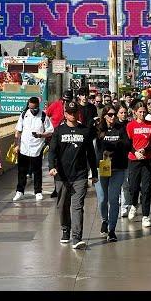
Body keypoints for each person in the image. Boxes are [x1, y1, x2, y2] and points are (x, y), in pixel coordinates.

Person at [48, 101, 98, 249]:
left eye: (75, 112)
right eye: (70, 112)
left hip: (80, 175)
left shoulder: (85, 131)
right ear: (65, 114)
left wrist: (94, 173)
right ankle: (65, 229)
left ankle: (77, 238)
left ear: (78, 113)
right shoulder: (59, 131)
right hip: (62, 175)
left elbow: (91, 154)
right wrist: (52, 167)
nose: (72, 115)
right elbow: (52, 152)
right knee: (63, 205)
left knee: (77, 206)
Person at [95, 105, 128, 242]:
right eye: (110, 114)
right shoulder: (97, 129)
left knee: (114, 199)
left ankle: (112, 229)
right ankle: (104, 220)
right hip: (102, 167)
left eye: (114, 114)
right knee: (103, 199)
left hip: (118, 167)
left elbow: (127, 144)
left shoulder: (121, 128)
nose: (113, 117)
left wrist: (117, 145)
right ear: (104, 116)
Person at [13, 97, 54, 202]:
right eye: (31, 108)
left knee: (37, 171)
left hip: (37, 148)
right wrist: (16, 145)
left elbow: (50, 131)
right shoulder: (23, 115)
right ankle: (19, 191)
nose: (32, 110)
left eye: (34, 108)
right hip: (24, 148)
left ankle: (38, 191)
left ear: (38, 106)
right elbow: (17, 131)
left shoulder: (44, 116)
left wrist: (41, 135)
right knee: (22, 171)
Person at [126, 101, 151, 227]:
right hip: (134, 160)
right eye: (140, 111)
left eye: (144, 111)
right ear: (135, 112)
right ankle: (134, 204)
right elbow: (127, 143)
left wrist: (146, 149)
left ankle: (145, 215)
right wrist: (135, 152)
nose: (142, 114)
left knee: (146, 189)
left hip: (147, 159)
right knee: (133, 187)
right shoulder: (130, 126)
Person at [117, 105, 133, 218]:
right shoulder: (114, 126)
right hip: (115, 158)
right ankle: (120, 202)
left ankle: (125, 206)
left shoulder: (129, 125)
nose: (123, 114)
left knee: (125, 184)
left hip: (127, 157)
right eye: (121, 112)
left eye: (125, 112)